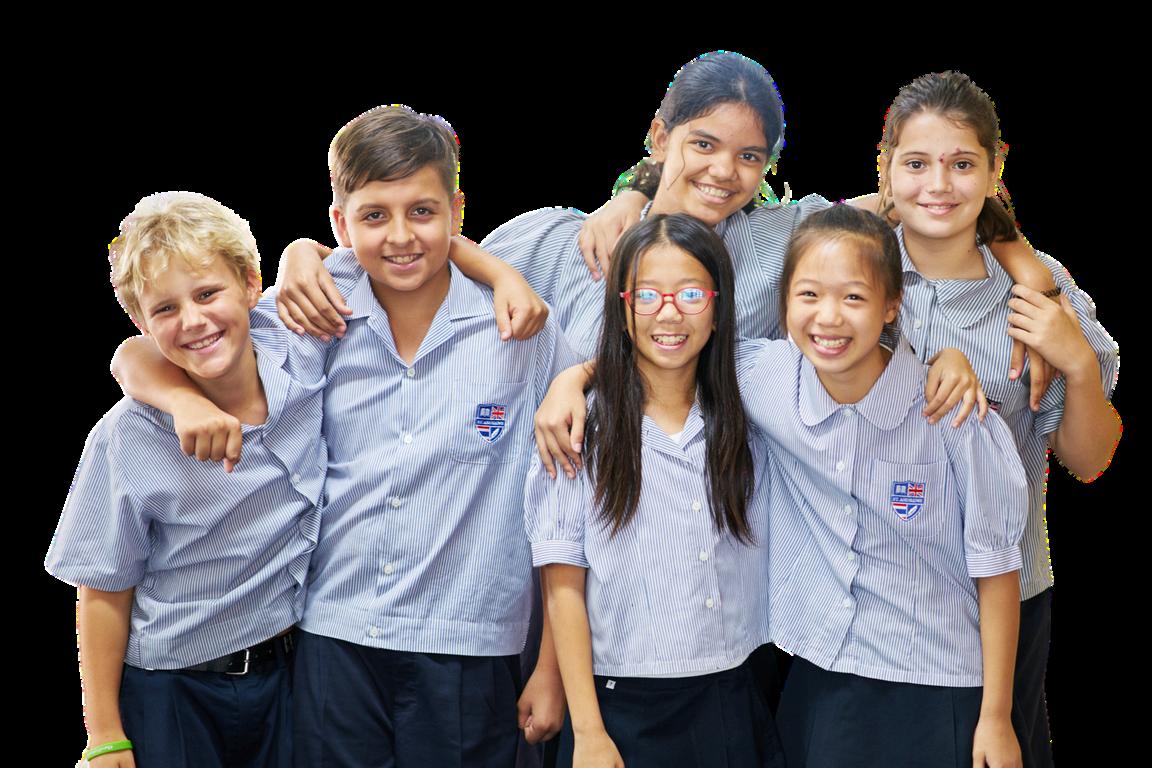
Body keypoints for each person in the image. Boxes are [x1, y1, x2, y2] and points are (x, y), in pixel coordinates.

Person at [110, 106, 578, 766]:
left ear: (457, 211)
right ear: (340, 224)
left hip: (471, 645)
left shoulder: (518, 325)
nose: (401, 236)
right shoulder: (314, 312)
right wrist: (184, 401)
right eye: (374, 216)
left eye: (423, 212)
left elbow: (570, 499)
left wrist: (551, 668)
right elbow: (146, 349)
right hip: (334, 639)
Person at [539, 204, 1032, 766]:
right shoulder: (761, 377)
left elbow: (997, 567)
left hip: (937, 680)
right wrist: (571, 378)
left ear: (893, 304)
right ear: (784, 304)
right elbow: (668, 348)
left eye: (853, 297)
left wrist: (996, 715)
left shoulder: (951, 413)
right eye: (809, 295)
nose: (829, 317)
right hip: (818, 679)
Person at [872, 71, 1121, 767]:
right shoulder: (849, 271)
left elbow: (1087, 460)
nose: (938, 185)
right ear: (885, 165)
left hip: (1004, 599)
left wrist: (1076, 363)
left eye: (962, 164)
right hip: (875, 603)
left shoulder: (1038, 289)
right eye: (916, 163)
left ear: (995, 167)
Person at [46, 191, 327, 767]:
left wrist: (300, 248)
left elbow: (368, 255)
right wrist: (104, 735)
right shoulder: (128, 437)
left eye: (206, 294)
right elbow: (102, 590)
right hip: (172, 687)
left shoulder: (301, 347)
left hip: (290, 673)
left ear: (251, 285)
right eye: (166, 309)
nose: (194, 321)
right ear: (141, 323)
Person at [526, 213, 783, 767]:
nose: (669, 313)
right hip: (619, 706)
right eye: (647, 296)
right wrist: (588, 731)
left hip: (732, 693)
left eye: (691, 294)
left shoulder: (753, 418)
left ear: (718, 307)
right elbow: (563, 586)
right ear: (622, 309)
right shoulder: (581, 428)